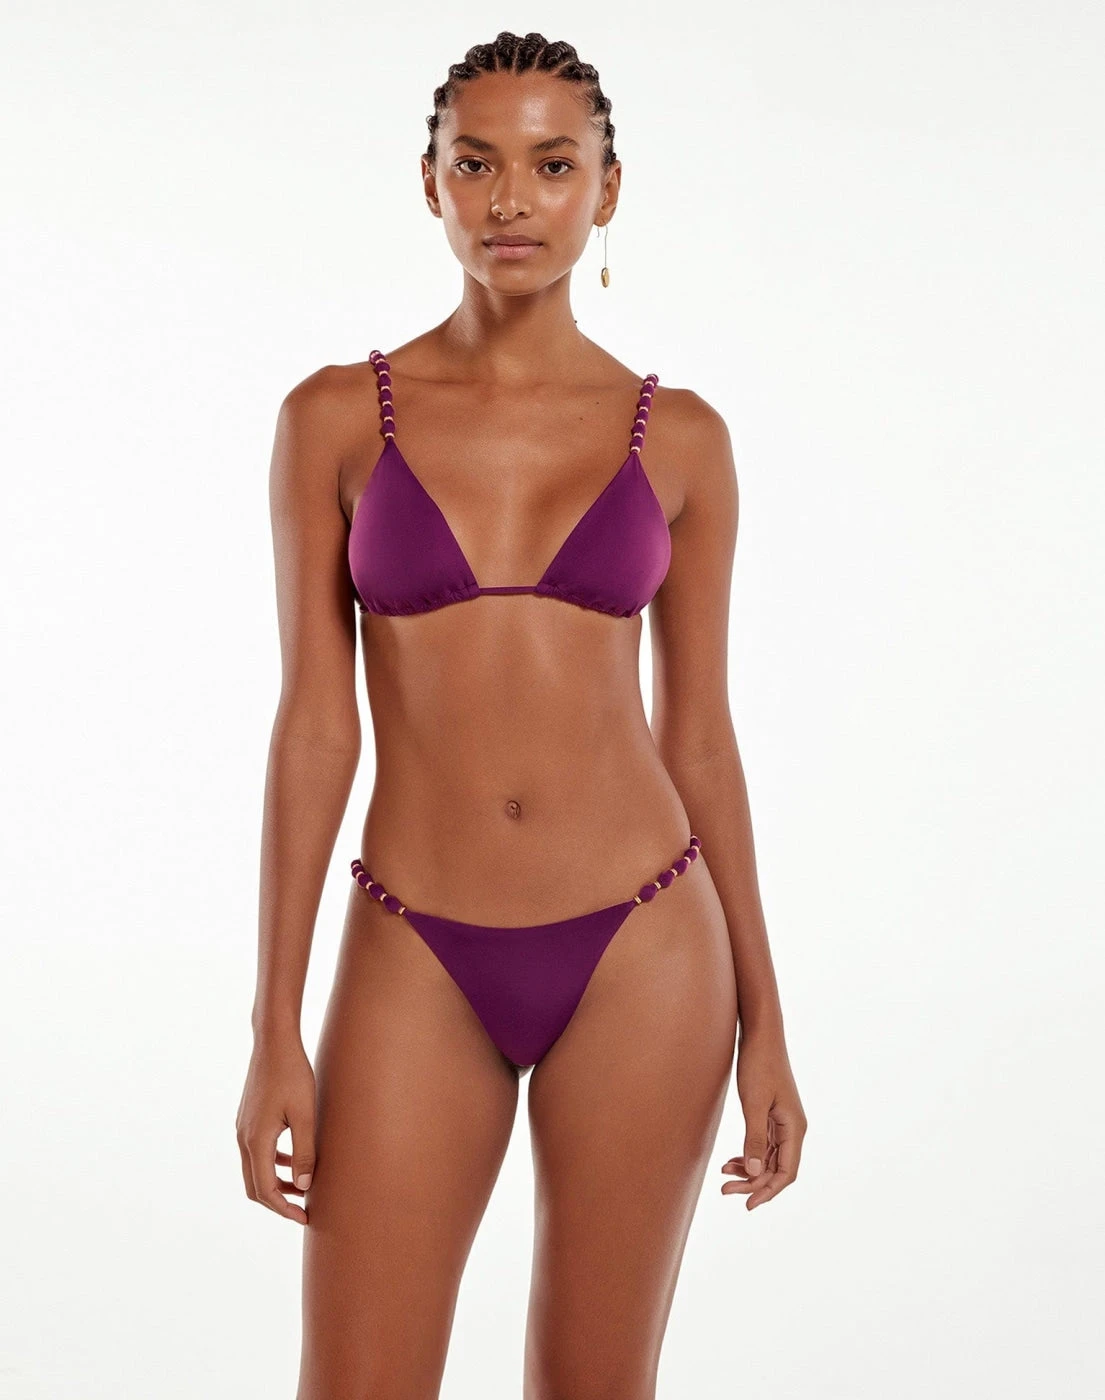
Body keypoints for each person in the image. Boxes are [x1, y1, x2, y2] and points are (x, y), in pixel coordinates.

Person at [236, 30, 807, 1400]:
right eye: (476, 163)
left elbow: (701, 736)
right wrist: (273, 1028)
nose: (511, 201)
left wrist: (770, 1022)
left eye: (554, 166)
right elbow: (315, 728)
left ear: (607, 190)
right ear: (427, 180)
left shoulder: (682, 439)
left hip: (645, 944)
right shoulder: (336, 419)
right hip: (414, 943)